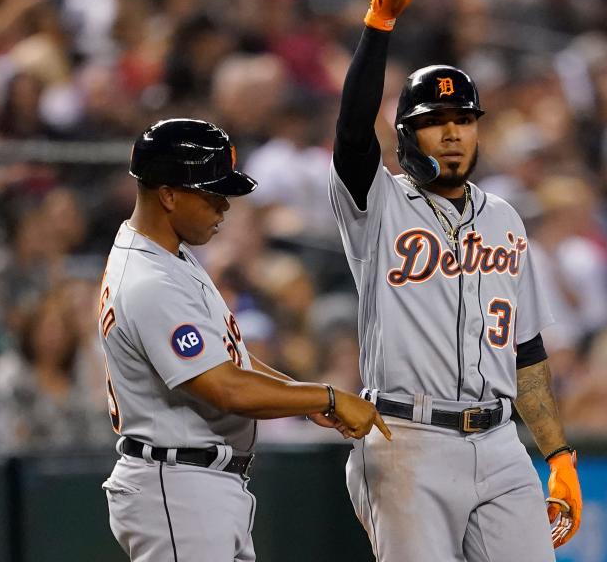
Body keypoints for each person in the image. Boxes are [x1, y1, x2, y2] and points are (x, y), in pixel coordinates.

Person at [328, 0, 582, 561]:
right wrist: (379, 25)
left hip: (499, 442)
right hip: (407, 437)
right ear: (406, 135)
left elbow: (526, 351)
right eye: (435, 123)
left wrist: (558, 453)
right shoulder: (378, 203)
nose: (452, 134)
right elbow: (351, 131)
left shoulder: (504, 218)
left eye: (464, 120)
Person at [98, 118, 389, 561]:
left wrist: (308, 401)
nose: (224, 207)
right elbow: (224, 387)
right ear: (169, 194)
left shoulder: (168, 255)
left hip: (196, 482)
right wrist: (326, 397)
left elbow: (231, 360)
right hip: (177, 487)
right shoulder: (149, 280)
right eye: (211, 194)